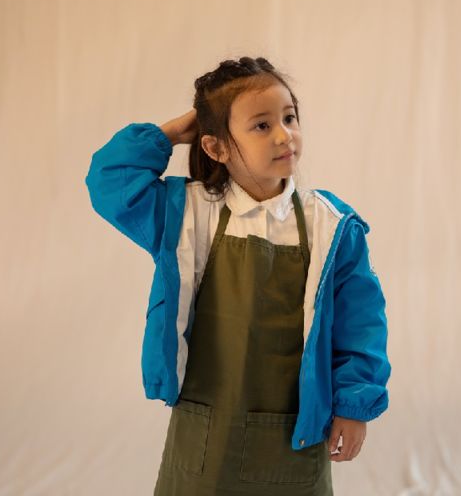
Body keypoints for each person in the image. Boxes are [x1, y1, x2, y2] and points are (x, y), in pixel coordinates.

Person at [85, 56, 391, 495]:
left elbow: (360, 323)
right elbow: (109, 181)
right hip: (206, 433)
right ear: (216, 148)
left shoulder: (331, 226)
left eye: (289, 118)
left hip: (294, 431)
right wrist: (171, 133)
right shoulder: (185, 214)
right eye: (262, 125)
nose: (284, 135)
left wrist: (353, 405)